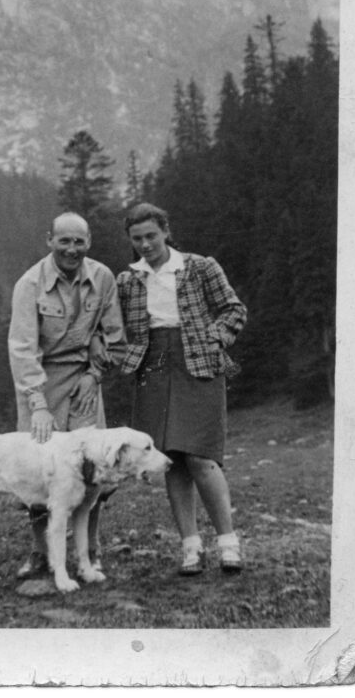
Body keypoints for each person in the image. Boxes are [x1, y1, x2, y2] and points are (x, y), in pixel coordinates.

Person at [116, 203, 247, 576]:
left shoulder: (200, 267)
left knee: (201, 457)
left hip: (198, 364)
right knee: (170, 458)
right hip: (153, 367)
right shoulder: (127, 280)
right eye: (137, 239)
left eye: (151, 236)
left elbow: (234, 310)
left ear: (165, 232)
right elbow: (113, 326)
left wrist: (215, 336)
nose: (145, 244)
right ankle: (191, 548)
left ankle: (228, 545)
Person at [8, 211, 126, 578]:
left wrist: (94, 375)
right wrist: (38, 405)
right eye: (64, 241)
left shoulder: (102, 277)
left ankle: (89, 550)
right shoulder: (30, 284)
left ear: (88, 242)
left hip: (84, 382)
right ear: (50, 240)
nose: (71, 249)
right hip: (40, 381)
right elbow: (22, 349)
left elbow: (115, 336)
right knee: (39, 466)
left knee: (93, 466)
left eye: (79, 241)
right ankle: (41, 551)